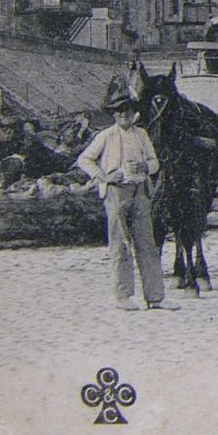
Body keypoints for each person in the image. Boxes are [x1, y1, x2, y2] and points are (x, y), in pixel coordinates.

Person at [77, 84, 178, 312]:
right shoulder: (106, 136)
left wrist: (145, 166)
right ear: (114, 115)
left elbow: (155, 162)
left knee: (147, 244)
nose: (125, 116)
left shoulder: (141, 135)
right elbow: (85, 159)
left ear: (135, 114)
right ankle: (123, 296)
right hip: (116, 192)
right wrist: (103, 176)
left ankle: (155, 297)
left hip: (139, 190)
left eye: (129, 112)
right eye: (120, 112)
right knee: (120, 244)